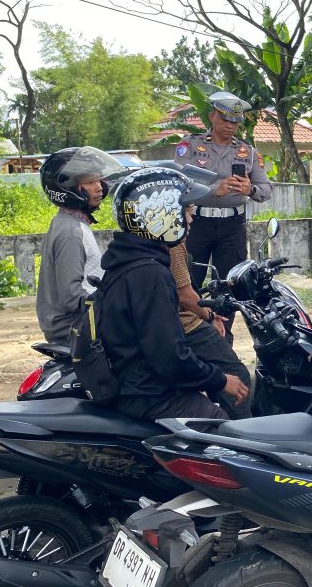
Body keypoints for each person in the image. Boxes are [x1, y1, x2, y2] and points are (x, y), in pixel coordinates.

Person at [100, 166, 249, 422]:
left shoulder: (128, 261)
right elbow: (170, 357)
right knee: (222, 429)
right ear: (160, 214)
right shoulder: (150, 275)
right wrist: (220, 380)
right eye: (185, 211)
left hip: (137, 383)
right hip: (150, 394)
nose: (191, 219)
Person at [174, 90, 273, 335]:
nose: (230, 126)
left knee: (229, 288)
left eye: (235, 122)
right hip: (196, 224)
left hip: (232, 227)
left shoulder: (247, 152)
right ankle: (193, 339)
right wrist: (213, 191)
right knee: (190, 283)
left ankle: (224, 342)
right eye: (225, 119)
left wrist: (250, 189)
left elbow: (266, 189)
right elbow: (177, 184)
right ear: (212, 117)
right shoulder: (191, 145)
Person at [35, 147, 122, 346]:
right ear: (69, 188)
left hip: (78, 322)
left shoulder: (69, 222)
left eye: (99, 180)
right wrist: (116, 302)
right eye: (90, 182)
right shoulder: (72, 232)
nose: (99, 187)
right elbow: (71, 297)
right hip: (72, 327)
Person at [170, 223, 253, 419]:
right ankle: (243, 435)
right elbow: (185, 295)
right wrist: (210, 316)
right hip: (185, 322)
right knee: (237, 374)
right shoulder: (172, 245)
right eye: (188, 212)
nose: (191, 219)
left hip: (172, 321)